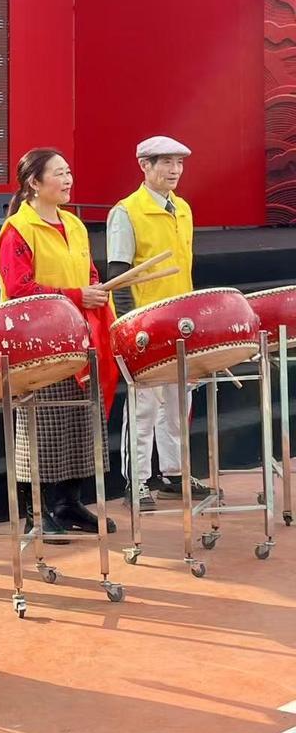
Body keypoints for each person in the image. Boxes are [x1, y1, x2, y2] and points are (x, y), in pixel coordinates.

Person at [0, 148, 116, 536]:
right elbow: (18, 289)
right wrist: (78, 295)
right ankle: (37, 511)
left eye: (69, 173)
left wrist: (94, 288)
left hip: (79, 336)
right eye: (60, 174)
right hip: (38, 344)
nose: (68, 181)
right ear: (34, 182)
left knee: (80, 420)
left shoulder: (75, 225)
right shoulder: (18, 229)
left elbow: (89, 271)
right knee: (42, 423)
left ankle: (68, 503)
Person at [105, 135, 206, 511]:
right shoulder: (126, 212)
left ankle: (174, 473)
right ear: (144, 166)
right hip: (146, 326)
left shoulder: (183, 209)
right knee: (144, 406)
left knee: (179, 402)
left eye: (179, 163)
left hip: (181, 322)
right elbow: (119, 274)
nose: (174, 170)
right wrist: (132, 328)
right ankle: (138, 480)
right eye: (165, 162)